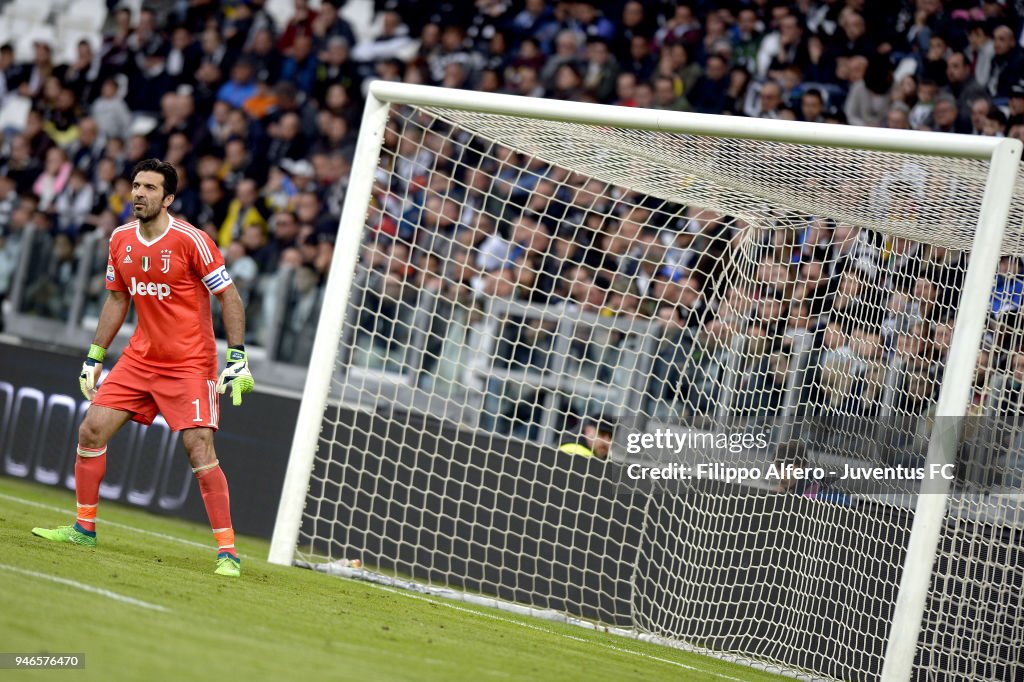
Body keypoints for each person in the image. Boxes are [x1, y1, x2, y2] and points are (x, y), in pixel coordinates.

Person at [31, 159, 255, 578]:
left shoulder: (193, 241)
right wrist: (94, 357)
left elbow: (229, 297)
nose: (139, 193)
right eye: (136, 185)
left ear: (168, 198)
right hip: (139, 358)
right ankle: (84, 527)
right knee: (91, 430)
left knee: (199, 448)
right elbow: (118, 299)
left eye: (150, 188)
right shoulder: (119, 239)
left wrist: (237, 356)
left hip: (191, 363)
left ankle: (228, 552)